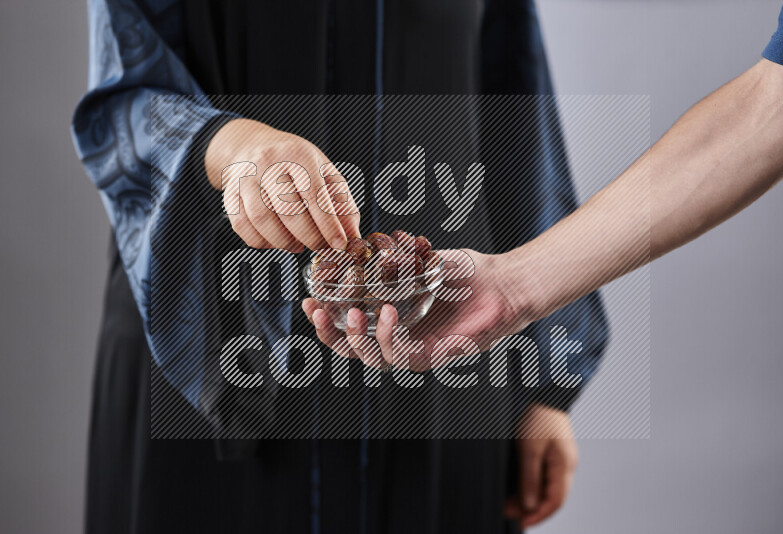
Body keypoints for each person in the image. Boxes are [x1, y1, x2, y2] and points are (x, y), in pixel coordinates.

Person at [72, 0, 607, 533]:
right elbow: (121, 103)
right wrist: (231, 146)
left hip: (442, 353)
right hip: (205, 352)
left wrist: (547, 380)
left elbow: (516, 107)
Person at [308, 0, 783, 523]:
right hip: (267, 375)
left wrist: (547, 370)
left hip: (452, 358)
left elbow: (519, 119)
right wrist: (243, 142)